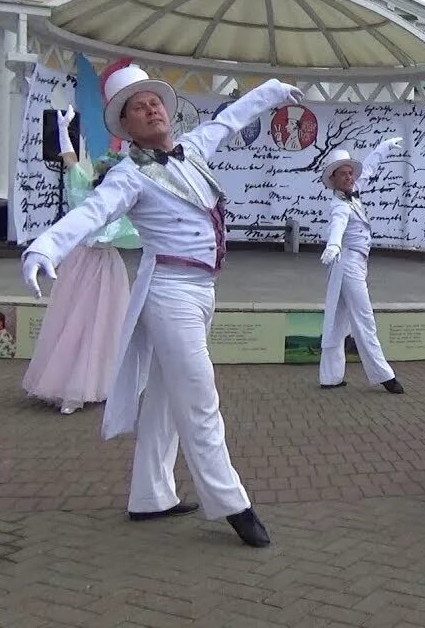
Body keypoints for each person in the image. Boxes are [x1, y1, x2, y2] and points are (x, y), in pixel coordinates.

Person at [21, 64, 302, 547]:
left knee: (169, 402)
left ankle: (151, 496)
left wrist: (272, 91)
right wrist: (45, 247)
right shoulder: (128, 175)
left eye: (154, 101)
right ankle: (233, 504)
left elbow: (230, 119)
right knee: (200, 399)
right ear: (125, 126)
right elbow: (91, 212)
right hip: (168, 291)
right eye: (137, 107)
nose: (150, 108)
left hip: (202, 292)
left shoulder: (192, 149)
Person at [22, 106, 139, 415]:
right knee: (74, 321)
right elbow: (70, 159)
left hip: (104, 267)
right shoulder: (83, 190)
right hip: (84, 264)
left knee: (104, 324)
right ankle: (69, 386)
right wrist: (63, 130)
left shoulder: (124, 203)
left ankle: (98, 384)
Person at [318, 139, 404, 394]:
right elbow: (337, 225)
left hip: (355, 263)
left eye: (349, 173)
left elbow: (367, 170)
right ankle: (384, 375)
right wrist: (333, 245)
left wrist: (383, 148)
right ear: (332, 179)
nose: (349, 177)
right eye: (342, 174)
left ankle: (330, 376)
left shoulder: (353, 194)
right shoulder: (339, 206)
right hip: (347, 264)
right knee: (364, 319)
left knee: (337, 319)